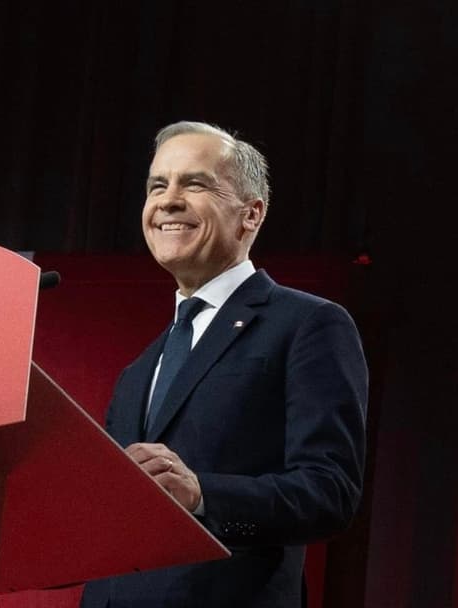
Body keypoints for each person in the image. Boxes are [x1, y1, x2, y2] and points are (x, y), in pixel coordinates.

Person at [79, 121, 368, 608]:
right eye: (157, 185)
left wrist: (202, 495)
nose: (168, 201)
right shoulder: (138, 371)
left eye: (194, 183)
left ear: (251, 214)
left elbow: (329, 492)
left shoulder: (308, 325)